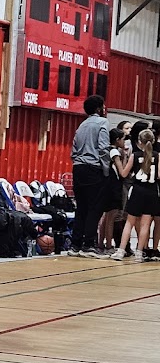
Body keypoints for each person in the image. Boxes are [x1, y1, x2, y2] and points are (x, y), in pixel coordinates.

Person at [68, 95, 110, 257]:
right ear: (99, 108)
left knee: (81, 207)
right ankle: (88, 244)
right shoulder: (102, 123)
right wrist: (106, 170)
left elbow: (73, 150)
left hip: (78, 169)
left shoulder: (82, 125)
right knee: (94, 207)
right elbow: (103, 148)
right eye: (103, 106)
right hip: (94, 168)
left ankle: (75, 244)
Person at [112, 128, 159, 261]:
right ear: (153, 141)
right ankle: (139, 253)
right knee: (145, 225)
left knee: (129, 223)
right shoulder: (157, 156)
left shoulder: (135, 155)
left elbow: (124, 174)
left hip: (137, 190)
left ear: (139, 141)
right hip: (151, 192)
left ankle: (120, 251)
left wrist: (121, 161)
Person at [99, 128, 133, 253]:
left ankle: (101, 244)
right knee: (111, 217)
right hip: (113, 186)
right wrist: (126, 157)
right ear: (117, 140)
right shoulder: (114, 152)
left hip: (107, 185)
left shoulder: (106, 149)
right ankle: (108, 245)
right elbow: (122, 172)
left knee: (105, 217)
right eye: (123, 139)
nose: (124, 142)